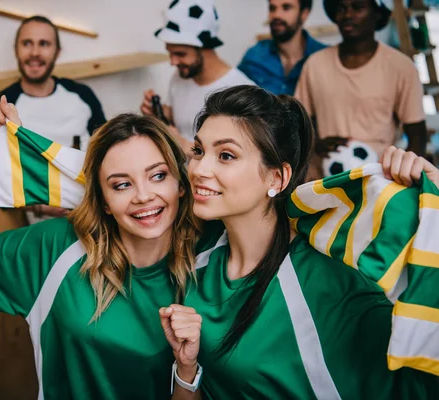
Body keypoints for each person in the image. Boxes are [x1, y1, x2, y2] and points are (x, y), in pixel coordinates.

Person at [0, 110, 213, 400]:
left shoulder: (212, 254)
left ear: (180, 184)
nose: (143, 196)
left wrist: (186, 368)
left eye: (158, 176)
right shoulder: (57, 248)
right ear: (104, 202)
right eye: (122, 184)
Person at [157, 85, 439, 399]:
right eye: (198, 151)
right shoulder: (198, 264)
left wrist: (433, 192)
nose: (198, 169)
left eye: (225, 155)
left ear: (277, 178)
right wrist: (186, 367)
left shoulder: (331, 278)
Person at [0, 15, 107, 219]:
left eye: (44, 44)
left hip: (95, 215)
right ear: (16, 49)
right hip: (42, 229)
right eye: (27, 44)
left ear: (57, 52)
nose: (35, 53)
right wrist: (40, 207)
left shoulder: (83, 96)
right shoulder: (1, 108)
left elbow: (108, 152)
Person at [295, 0, 427, 179]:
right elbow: (298, 123)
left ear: (378, 14)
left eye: (357, 7)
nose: (347, 15)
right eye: (341, 8)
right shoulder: (315, 65)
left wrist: (402, 180)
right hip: (326, 180)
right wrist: (316, 143)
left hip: (379, 181)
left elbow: (417, 136)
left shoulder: (401, 67)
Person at [140, 0, 254, 155]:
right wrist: (158, 115)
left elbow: (240, 157)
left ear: (205, 48)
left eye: (180, 54)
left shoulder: (242, 90)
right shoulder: (180, 77)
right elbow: (178, 121)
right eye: (170, 52)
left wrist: (183, 144)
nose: (173, 62)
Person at [238, 0, 326, 95]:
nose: (276, 15)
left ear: (304, 13)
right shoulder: (254, 56)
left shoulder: (324, 57)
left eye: (286, 7)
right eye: (272, 8)